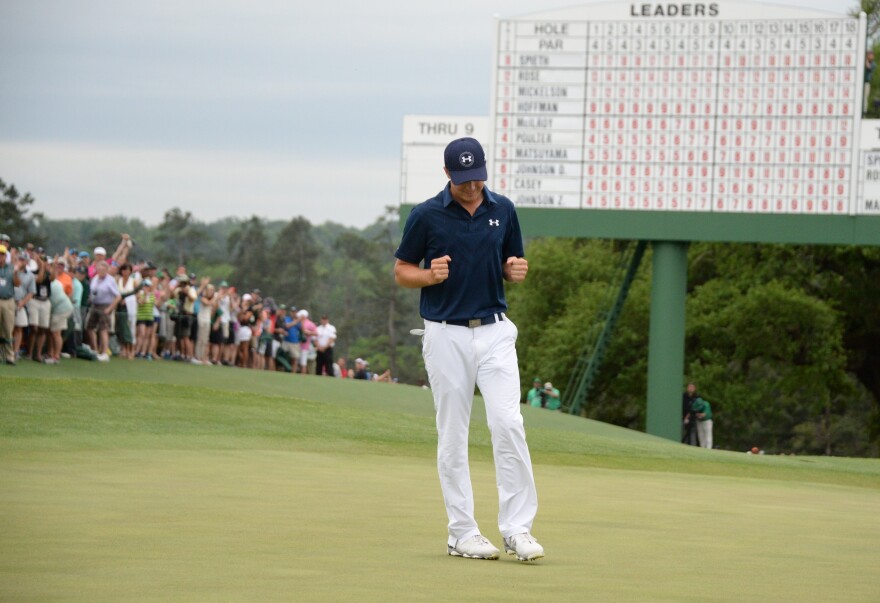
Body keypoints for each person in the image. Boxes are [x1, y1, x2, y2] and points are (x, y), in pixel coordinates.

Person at [393, 136, 543, 562]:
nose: (472, 187)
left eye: (477, 177)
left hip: (495, 330)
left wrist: (515, 270)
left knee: (508, 423)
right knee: (454, 434)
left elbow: (511, 263)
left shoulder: (504, 210)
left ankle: (517, 529)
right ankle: (462, 532)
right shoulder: (426, 215)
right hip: (445, 332)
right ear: (447, 176)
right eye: (463, 181)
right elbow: (403, 270)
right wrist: (428, 276)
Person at [86, 260, 121, 361]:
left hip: (105, 305)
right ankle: (95, 349)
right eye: (98, 269)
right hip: (94, 304)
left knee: (103, 329)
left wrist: (110, 308)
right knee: (89, 327)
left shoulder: (110, 280)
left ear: (106, 269)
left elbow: (118, 296)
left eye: (102, 269)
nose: (100, 271)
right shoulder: (95, 279)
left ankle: (104, 352)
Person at [0, 244, 21, 365]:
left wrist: (15, 274)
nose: (0, 257)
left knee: (8, 329)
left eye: (2, 255)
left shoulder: (11, 268)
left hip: (8, 301)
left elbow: (17, 284)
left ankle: (9, 356)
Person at [865, 50, 876, 115]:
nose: (870, 55)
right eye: (868, 54)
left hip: (866, 83)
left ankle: (864, 113)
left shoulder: (873, 64)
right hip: (860, 84)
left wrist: (865, 59)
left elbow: (868, 67)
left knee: (865, 98)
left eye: (871, 54)